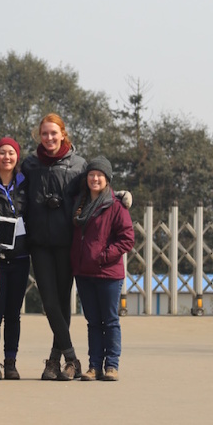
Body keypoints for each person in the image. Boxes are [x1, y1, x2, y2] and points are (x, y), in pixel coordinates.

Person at [22, 113, 87, 380]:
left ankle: (54, 362)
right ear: (39, 136)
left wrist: (118, 197)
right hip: (39, 242)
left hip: (66, 241)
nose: (49, 138)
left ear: (63, 133)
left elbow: (94, 190)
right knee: (49, 302)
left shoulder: (79, 164)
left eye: (53, 133)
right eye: (44, 133)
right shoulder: (29, 164)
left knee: (61, 301)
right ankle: (72, 358)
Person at [71, 156, 134, 381]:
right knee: (93, 322)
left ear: (107, 179)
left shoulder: (116, 206)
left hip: (108, 273)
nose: (95, 178)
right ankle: (94, 366)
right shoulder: (79, 203)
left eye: (99, 175)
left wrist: (104, 256)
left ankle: (112, 365)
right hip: (84, 272)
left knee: (110, 320)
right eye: (91, 174)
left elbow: (127, 239)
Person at [0, 136, 29, 380]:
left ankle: (11, 362)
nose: (6, 157)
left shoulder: (25, 183)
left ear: (17, 156)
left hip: (20, 258)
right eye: (2, 152)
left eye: (11, 153)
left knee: (13, 314)